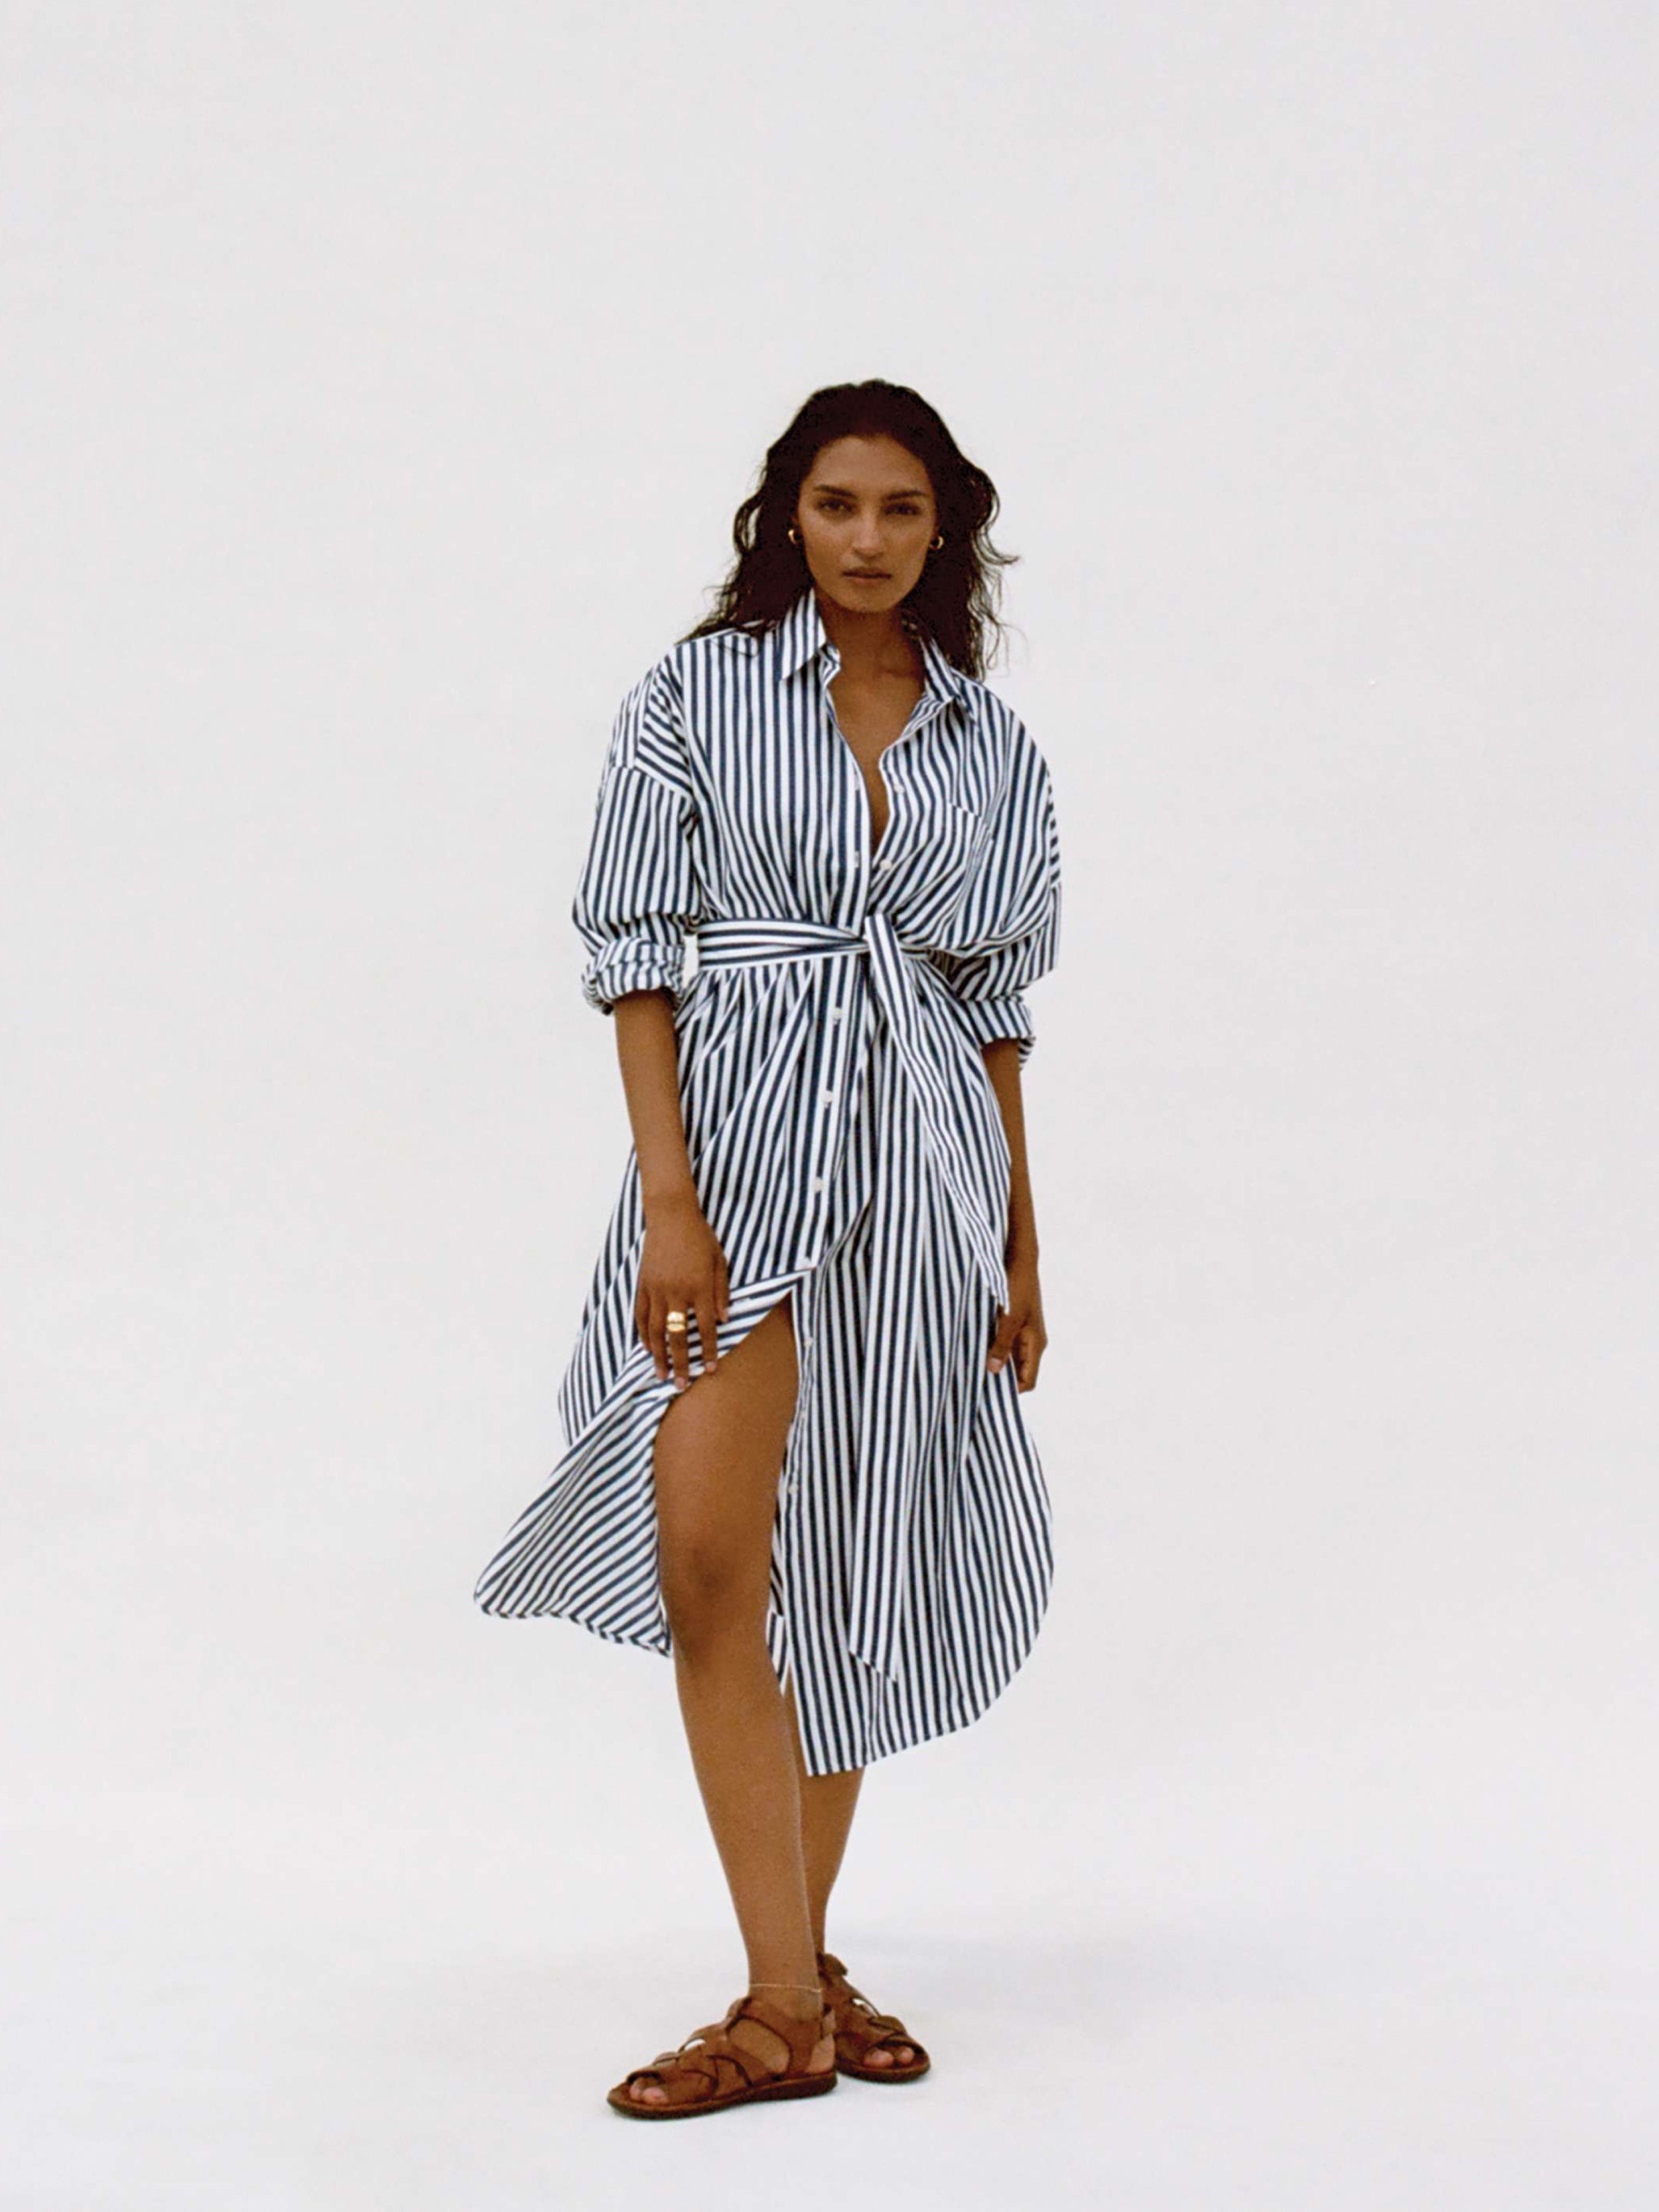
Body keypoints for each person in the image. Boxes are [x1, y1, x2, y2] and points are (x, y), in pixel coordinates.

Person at [473, 378, 1064, 2118]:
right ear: (785, 519)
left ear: (945, 527)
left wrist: (1022, 1246)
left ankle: (784, 1996)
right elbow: (635, 953)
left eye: (900, 508)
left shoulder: (995, 748)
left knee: (855, 1565)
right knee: (713, 1562)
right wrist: (670, 1203)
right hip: (736, 1160)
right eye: (835, 504)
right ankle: (794, 1988)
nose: (867, 538)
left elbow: (996, 1012)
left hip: (925, 1174)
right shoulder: (696, 694)